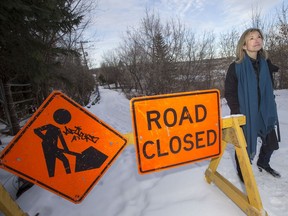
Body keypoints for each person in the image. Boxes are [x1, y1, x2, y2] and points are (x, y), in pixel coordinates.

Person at [224, 28, 281, 182]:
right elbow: (229, 92)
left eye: (259, 37)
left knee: (271, 144)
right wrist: (238, 112)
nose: (256, 40)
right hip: (245, 112)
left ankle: (263, 162)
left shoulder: (265, 63)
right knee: (243, 146)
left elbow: (268, 87)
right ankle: (243, 172)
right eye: (251, 38)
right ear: (243, 45)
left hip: (265, 111)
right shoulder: (235, 67)